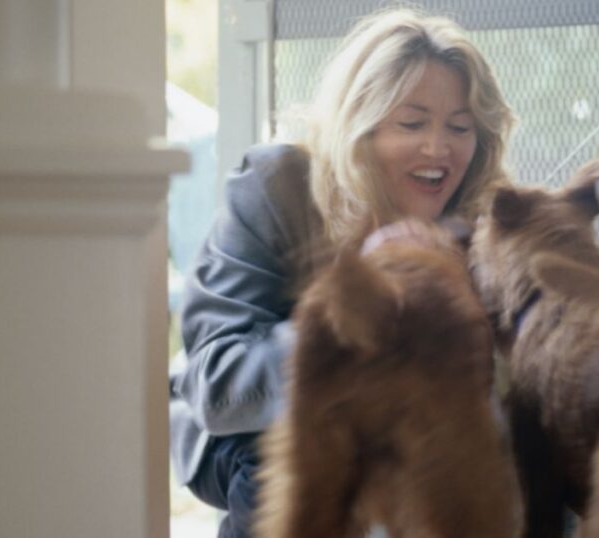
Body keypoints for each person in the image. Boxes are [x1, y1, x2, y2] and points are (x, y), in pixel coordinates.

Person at [168, 7, 516, 537]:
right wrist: (365, 315)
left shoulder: (482, 228)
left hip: (414, 427)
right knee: (289, 448)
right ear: (359, 126)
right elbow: (217, 383)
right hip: (246, 427)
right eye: (412, 123)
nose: (438, 148)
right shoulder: (277, 185)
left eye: (460, 128)